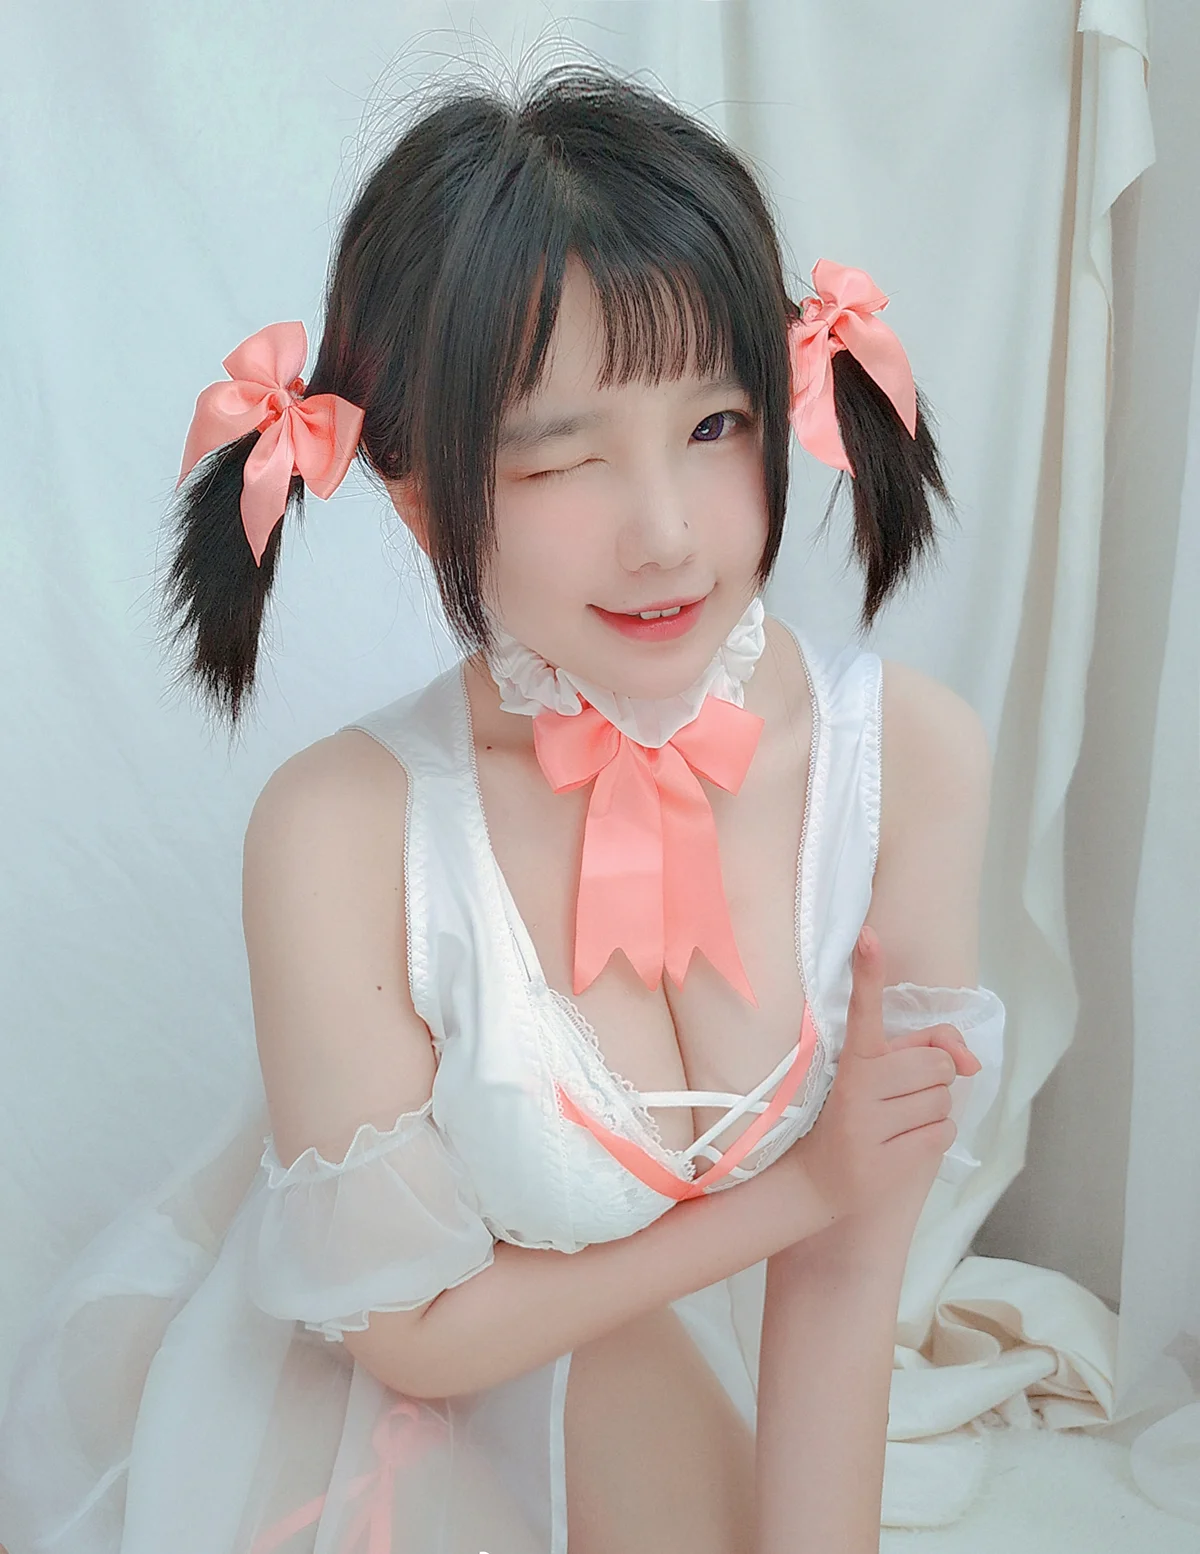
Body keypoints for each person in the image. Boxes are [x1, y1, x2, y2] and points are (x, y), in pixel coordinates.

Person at [0, 62, 1005, 1554]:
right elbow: (414, 1334)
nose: (665, 534)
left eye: (714, 427)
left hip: (635, 1387)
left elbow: (849, 1274)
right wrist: (810, 1182)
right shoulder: (341, 833)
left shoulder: (907, 762)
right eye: (565, 458)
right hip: (371, 1431)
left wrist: (832, 1205)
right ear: (418, 499)